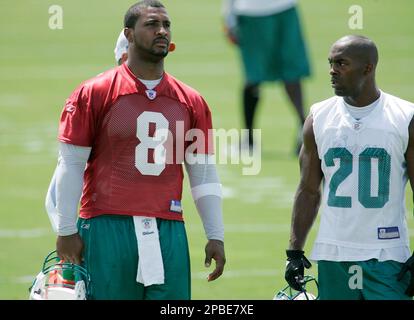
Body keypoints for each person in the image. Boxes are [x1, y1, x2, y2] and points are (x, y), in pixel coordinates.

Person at [44, 0, 226, 300]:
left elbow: (203, 172)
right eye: (152, 24)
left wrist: (215, 234)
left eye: (166, 25)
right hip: (107, 225)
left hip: (168, 228)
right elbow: (71, 164)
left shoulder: (191, 100)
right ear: (128, 35)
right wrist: (65, 230)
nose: (162, 31)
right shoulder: (96, 91)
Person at [284, 35, 414, 300]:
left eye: (342, 64)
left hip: (387, 256)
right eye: (331, 63)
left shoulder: (404, 117)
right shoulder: (318, 117)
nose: (332, 70)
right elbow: (308, 190)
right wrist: (294, 252)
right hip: (334, 255)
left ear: (368, 68)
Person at [222, 0, 311, 154]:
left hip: (253, 11)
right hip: (282, 8)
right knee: (289, 73)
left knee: (254, 75)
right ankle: (305, 133)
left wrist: (228, 16)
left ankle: (249, 140)